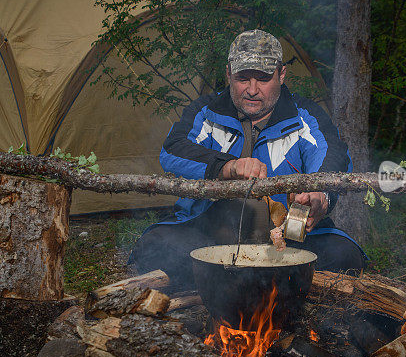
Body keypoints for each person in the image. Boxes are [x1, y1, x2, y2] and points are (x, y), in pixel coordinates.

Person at [130, 29, 364, 288]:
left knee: (345, 256)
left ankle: (254, 292)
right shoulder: (205, 113)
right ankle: (235, 291)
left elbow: (332, 154)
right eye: (243, 78)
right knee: (156, 248)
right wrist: (227, 166)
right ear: (229, 73)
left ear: (282, 75)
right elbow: (174, 150)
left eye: (263, 79)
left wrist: (320, 193)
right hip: (209, 232)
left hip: (288, 238)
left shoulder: (304, 116)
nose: (252, 90)